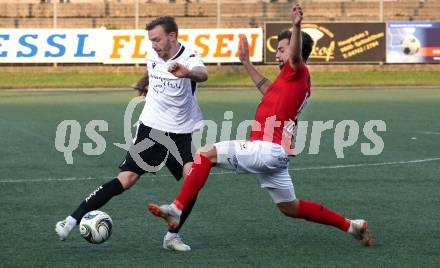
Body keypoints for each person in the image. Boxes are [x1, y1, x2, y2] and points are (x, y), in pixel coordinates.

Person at [147, 4, 373, 247]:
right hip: (277, 154)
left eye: (281, 50)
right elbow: (268, 89)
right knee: (290, 207)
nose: (277, 54)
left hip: (266, 148)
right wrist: (245, 62)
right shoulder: (292, 79)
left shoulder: (297, 69)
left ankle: (177, 208)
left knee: (204, 154)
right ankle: (351, 225)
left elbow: (295, 56)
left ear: (294, 52)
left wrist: (296, 26)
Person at [55, 16, 208, 252]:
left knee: (193, 181)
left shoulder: (189, 58)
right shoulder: (153, 55)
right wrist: (143, 82)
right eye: (151, 40)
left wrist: (186, 73)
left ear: (172, 37)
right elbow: (152, 70)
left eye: (157, 39)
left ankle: (172, 237)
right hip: (152, 128)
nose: (153, 44)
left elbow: (202, 74)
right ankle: (71, 220)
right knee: (126, 180)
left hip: (180, 133)